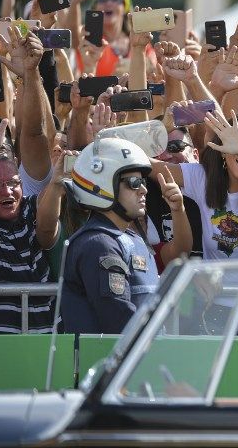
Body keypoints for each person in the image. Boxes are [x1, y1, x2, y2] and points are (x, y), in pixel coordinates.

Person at [150, 109, 238, 336]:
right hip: (214, 306)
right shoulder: (202, 177)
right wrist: (161, 128)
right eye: (237, 140)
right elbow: (142, 163)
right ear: (221, 150)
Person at [62, 138, 181, 334]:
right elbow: (119, 318)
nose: (143, 190)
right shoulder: (98, 245)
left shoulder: (132, 240)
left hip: (142, 351)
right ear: (101, 185)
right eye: (134, 183)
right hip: (115, 353)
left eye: (143, 182)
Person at [0, 105, 64, 334]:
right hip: (3, 347)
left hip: (49, 345)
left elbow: (47, 229)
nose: (7, 191)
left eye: (13, 182)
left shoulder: (29, 208)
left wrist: (56, 183)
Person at [145, 127, 203, 270]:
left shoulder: (214, 185)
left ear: (195, 155)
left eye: (175, 146)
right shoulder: (142, 190)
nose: (165, 156)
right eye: (156, 150)